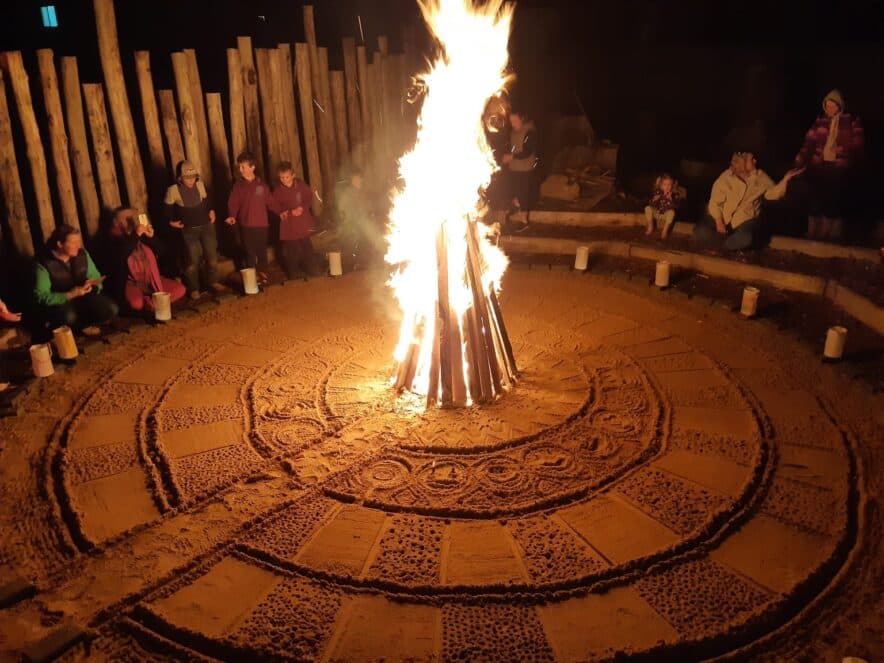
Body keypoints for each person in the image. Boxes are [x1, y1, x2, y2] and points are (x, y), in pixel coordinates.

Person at [694, 152, 803, 251]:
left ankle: (723, 247)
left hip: (746, 220)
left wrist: (785, 180)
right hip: (723, 218)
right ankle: (724, 243)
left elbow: (772, 194)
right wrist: (719, 221)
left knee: (746, 237)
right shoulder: (726, 177)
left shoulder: (760, 177)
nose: (755, 161)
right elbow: (715, 201)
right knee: (700, 231)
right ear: (742, 163)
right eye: (752, 159)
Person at [795, 89, 864, 239]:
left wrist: (845, 148)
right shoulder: (820, 121)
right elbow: (810, 140)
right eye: (827, 105)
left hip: (839, 165)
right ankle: (814, 231)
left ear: (839, 106)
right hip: (820, 164)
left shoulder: (850, 120)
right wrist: (801, 156)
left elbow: (858, 142)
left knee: (834, 198)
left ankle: (832, 233)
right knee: (816, 197)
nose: (829, 108)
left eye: (833, 105)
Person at [32, 225, 118, 337]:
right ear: (60, 244)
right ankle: (73, 328)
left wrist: (92, 285)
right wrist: (69, 295)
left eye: (79, 241)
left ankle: (86, 323)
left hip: (83, 298)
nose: (78, 246)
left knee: (111, 309)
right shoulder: (44, 264)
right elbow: (41, 296)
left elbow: (95, 275)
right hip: (61, 304)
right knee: (69, 317)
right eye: (73, 242)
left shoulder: (82, 254)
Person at [164, 160, 225, 299]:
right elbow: (166, 210)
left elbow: (207, 201)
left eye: (193, 177)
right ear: (180, 178)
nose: (191, 180)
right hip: (188, 230)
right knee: (191, 260)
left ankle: (213, 282)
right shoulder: (173, 190)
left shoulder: (200, 185)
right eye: (187, 178)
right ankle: (193, 288)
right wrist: (171, 222)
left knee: (212, 256)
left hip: (206, 226)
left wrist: (211, 211)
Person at [109, 208, 186, 314]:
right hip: (132, 284)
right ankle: (152, 303)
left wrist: (151, 238)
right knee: (136, 304)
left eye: (132, 217)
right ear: (117, 223)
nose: (131, 220)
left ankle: (151, 304)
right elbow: (121, 256)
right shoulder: (114, 239)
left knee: (180, 289)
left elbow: (164, 252)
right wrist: (135, 235)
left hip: (152, 280)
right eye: (127, 218)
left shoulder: (142, 235)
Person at [226, 151, 270, 282]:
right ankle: (251, 278)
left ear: (252, 167)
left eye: (243, 167)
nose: (240, 170)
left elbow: (270, 201)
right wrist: (232, 215)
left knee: (262, 251)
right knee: (249, 252)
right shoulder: (238, 186)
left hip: (262, 224)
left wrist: (282, 212)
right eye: (239, 167)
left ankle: (263, 275)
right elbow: (233, 203)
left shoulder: (262, 185)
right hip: (246, 225)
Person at [269, 162, 318, 280]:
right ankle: (293, 274)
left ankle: (312, 269)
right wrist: (281, 211)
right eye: (281, 177)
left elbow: (309, 197)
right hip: (289, 225)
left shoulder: (300, 185)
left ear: (293, 175)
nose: (284, 180)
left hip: (302, 223)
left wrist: (302, 207)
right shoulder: (278, 191)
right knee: (292, 251)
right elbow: (272, 204)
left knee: (307, 247)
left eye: (286, 177)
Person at [502, 110, 539, 221]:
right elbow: (513, 148)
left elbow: (527, 151)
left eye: (515, 121)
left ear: (522, 119)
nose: (513, 124)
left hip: (525, 168)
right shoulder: (513, 132)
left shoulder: (529, 132)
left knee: (523, 193)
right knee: (514, 192)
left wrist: (512, 157)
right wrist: (508, 156)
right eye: (511, 121)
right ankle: (516, 211)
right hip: (514, 168)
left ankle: (524, 221)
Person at [644, 173, 683, 239]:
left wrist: (671, 200)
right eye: (665, 184)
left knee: (671, 212)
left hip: (666, 215)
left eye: (669, 184)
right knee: (647, 208)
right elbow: (650, 204)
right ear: (661, 185)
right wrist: (654, 200)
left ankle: (664, 231)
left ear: (673, 185)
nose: (667, 187)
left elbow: (676, 207)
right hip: (657, 213)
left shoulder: (675, 195)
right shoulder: (658, 192)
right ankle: (651, 227)